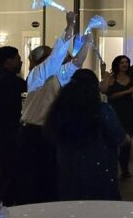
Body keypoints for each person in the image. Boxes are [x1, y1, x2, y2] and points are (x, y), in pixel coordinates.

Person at [16, 12, 87, 204]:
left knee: (50, 178)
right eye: (50, 59)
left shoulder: (56, 76)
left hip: (48, 132)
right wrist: (69, 27)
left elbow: (77, 64)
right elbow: (56, 57)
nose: (61, 59)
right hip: (32, 133)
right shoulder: (36, 76)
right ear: (42, 61)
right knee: (32, 181)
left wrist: (87, 43)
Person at [46, 69, 125, 200]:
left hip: (68, 164)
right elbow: (119, 136)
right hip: (100, 165)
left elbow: (52, 135)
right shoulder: (101, 110)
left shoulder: (61, 109)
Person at [0, 46, 26, 204]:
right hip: (3, 133)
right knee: (9, 173)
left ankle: (1, 206)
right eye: (17, 58)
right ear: (8, 62)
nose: (20, 61)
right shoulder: (9, 81)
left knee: (8, 173)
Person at [101, 54, 133, 179]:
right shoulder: (112, 78)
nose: (124, 64)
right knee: (113, 139)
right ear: (117, 64)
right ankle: (111, 166)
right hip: (115, 111)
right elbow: (108, 94)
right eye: (122, 62)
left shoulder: (131, 77)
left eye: (126, 62)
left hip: (129, 111)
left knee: (127, 140)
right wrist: (128, 91)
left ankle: (124, 168)